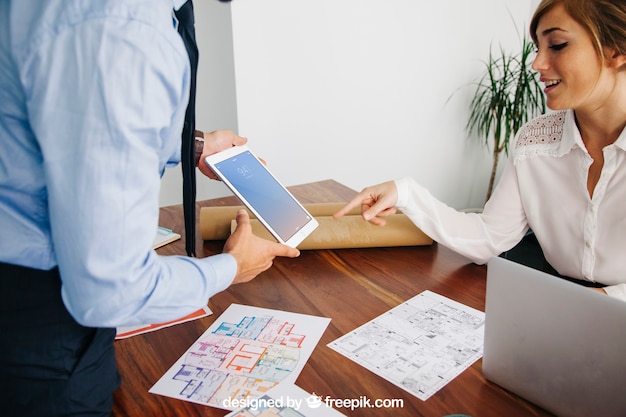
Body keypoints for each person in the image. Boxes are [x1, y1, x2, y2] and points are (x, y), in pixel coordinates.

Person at [0, 1, 300, 416]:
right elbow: (110, 290)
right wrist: (231, 268)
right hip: (41, 329)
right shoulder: (123, 28)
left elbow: (64, 114)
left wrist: (193, 145)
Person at [334, 0, 626, 303]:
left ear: (616, 50)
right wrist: (405, 193)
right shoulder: (534, 143)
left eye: (557, 44)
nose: (537, 63)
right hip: (559, 310)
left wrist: (595, 305)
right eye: (538, 47)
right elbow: (489, 238)